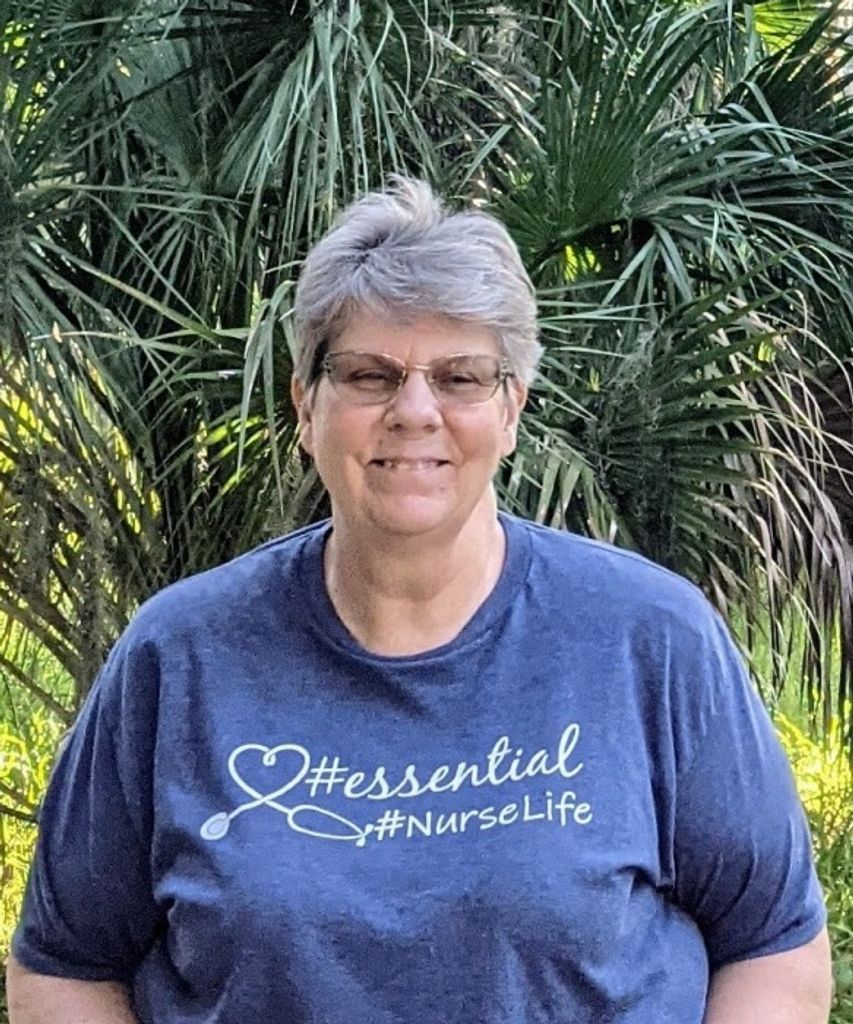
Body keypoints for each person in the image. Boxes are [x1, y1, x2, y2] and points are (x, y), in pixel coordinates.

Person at [7, 177, 832, 1023]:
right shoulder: (180, 653)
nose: (414, 411)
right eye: (369, 375)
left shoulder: (650, 638)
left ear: (510, 408)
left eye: (460, 378)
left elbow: (773, 946)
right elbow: (64, 969)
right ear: (305, 403)